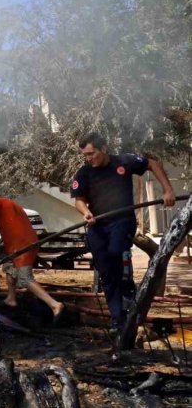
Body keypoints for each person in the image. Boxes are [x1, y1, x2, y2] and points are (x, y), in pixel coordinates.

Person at [71, 132, 176, 331]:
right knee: (106, 274)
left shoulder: (124, 162)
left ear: (104, 149)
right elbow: (78, 200)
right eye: (85, 155)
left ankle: (128, 289)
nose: (88, 158)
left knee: (116, 253)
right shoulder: (84, 173)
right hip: (97, 226)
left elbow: (152, 164)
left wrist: (168, 190)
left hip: (122, 221)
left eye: (92, 153)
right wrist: (86, 212)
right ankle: (118, 319)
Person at [0, 184, 64, 321]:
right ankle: (11, 299)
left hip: (22, 244)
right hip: (17, 243)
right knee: (10, 269)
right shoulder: (5, 204)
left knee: (25, 278)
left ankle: (55, 305)